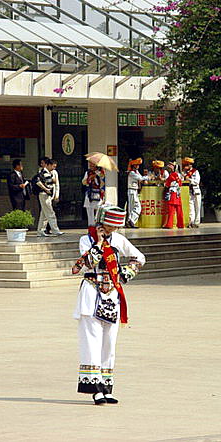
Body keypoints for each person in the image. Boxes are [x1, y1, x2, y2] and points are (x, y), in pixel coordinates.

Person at [71, 204, 146, 405]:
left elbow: (139, 257)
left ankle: (107, 386)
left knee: (109, 343)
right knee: (91, 342)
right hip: (91, 295)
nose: (112, 230)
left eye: (115, 227)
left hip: (111, 295)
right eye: (109, 226)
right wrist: (99, 242)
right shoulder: (85, 240)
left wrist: (125, 273)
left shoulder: (119, 240)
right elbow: (88, 263)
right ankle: (94, 389)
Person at [36, 158, 64, 237]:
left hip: (46, 195)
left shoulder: (47, 172)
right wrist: (52, 181)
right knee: (50, 213)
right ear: (48, 165)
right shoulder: (45, 172)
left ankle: (40, 230)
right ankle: (55, 230)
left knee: (44, 214)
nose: (54, 168)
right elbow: (48, 183)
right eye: (53, 166)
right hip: (45, 195)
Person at [82, 161, 106, 231]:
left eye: (92, 164)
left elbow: (102, 184)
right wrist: (90, 178)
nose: (91, 165)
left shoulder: (100, 173)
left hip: (98, 194)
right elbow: (84, 182)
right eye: (90, 164)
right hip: (89, 194)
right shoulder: (88, 172)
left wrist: (98, 175)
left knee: (98, 212)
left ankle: (98, 228)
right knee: (89, 212)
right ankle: (91, 228)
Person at [126, 158, 148, 228]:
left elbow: (141, 178)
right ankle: (130, 221)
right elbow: (141, 178)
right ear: (134, 165)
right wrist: (148, 177)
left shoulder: (136, 172)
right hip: (131, 190)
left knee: (135, 207)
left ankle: (130, 221)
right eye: (137, 165)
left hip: (134, 190)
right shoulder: (132, 172)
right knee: (134, 207)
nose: (138, 166)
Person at [162, 161, 185, 229]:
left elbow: (167, 185)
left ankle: (169, 224)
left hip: (172, 193)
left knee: (171, 210)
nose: (169, 166)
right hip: (178, 193)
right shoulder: (179, 175)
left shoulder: (171, 175)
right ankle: (180, 224)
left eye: (171, 165)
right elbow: (180, 184)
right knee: (179, 210)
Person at [182, 157, 202, 228]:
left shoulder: (195, 172)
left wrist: (189, 179)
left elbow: (197, 182)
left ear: (191, 165)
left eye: (188, 164)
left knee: (197, 207)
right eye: (185, 164)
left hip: (196, 191)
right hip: (189, 192)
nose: (186, 166)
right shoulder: (183, 173)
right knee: (191, 208)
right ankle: (191, 222)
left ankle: (197, 222)